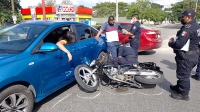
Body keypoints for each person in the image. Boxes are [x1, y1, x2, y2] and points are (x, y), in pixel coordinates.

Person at [168, 8, 200, 101]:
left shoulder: (188, 28)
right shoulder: (197, 26)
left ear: (189, 17)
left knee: (183, 75)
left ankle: (183, 94)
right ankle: (179, 87)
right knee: (184, 73)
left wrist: (170, 43)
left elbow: (178, 44)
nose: (181, 18)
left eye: (183, 17)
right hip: (193, 54)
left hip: (186, 56)